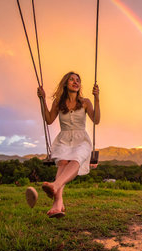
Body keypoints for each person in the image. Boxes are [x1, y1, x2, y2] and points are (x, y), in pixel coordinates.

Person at [35, 71, 100, 218]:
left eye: (78, 80)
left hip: (81, 139)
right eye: (72, 80)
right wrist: (43, 100)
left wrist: (97, 98)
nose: (75, 82)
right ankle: (58, 204)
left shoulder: (85, 102)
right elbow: (49, 120)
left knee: (76, 158)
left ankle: (55, 186)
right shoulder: (58, 102)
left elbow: (96, 120)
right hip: (63, 139)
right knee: (63, 162)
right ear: (65, 84)